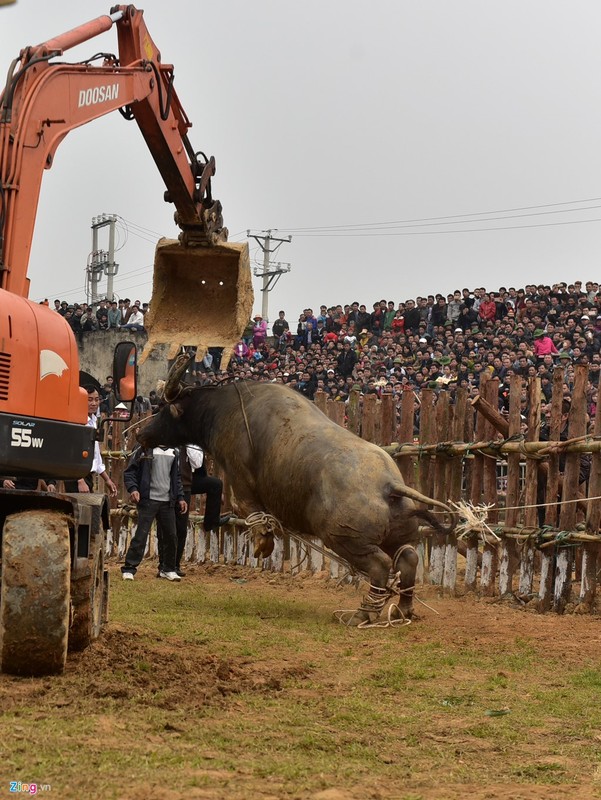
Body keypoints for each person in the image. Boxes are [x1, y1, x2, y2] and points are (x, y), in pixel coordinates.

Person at [121, 444, 187, 581]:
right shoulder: (143, 449)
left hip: (167, 501)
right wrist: (133, 489)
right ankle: (129, 569)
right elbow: (130, 472)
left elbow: (177, 478)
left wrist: (180, 497)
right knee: (141, 535)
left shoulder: (174, 451)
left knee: (171, 536)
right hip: (148, 500)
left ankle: (167, 569)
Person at [164, 445, 231, 577]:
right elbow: (196, 461)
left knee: (215, 485)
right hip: (176, 482)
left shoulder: (192, 442)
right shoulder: (176, 440)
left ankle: (211, 521)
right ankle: (167, 565)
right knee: (175, 527)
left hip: (187, 481)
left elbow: (198, 463)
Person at [64, 386, 118, 496]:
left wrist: (107, 479)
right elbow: (70, 453)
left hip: (87, 475)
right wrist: (80, 480)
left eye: (97, 399)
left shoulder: (93, 421)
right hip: (76, 477)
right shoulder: (76, 422)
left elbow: (95, 455)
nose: (94, 403)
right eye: (89, 400)